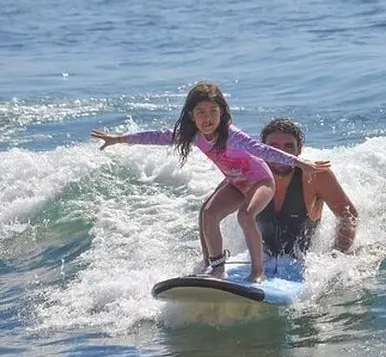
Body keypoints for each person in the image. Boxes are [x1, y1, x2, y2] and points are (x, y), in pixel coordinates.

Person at [90, 82, 330, 283]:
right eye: (201, 113)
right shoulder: (192, 135)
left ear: (222, 113)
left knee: (246, 216)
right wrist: (119, 139)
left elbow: (261, 149)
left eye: (212, 112)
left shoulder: (232, 135)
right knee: (208, 213)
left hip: (260, 181)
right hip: (236, 183)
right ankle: (215, 267)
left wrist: (298, 163)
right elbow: (158, 136)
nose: (207, 118)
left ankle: (258, 272)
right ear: (192, 117)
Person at [196, 117, 358, 266]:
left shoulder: (316, 176)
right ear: (261, 149)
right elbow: (207, 212)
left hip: (302, 263)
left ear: (299, 150)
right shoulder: (247, 174)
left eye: (289, 147)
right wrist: (208, 262)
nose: (282, 153)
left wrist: (335, 259)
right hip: (261, 260)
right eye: (274, 148)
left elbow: (348, 215)